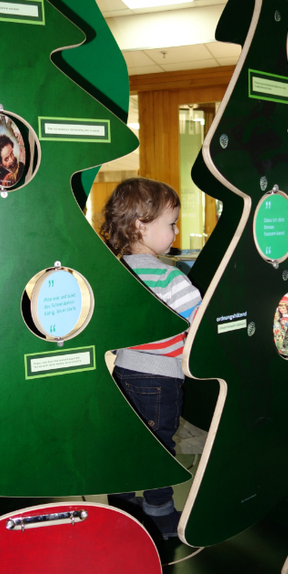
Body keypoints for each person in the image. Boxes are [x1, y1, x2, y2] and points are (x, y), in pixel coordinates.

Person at [100, 177, 202, 540]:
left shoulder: (115, 273)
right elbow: (200, 323)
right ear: (141, 225)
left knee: (126, 441)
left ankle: (122, 509)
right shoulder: (169, 277)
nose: (176, 231)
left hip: (122, 373)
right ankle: (159, 513)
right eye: (171, 223)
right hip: (160, 379)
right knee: (160, 447)